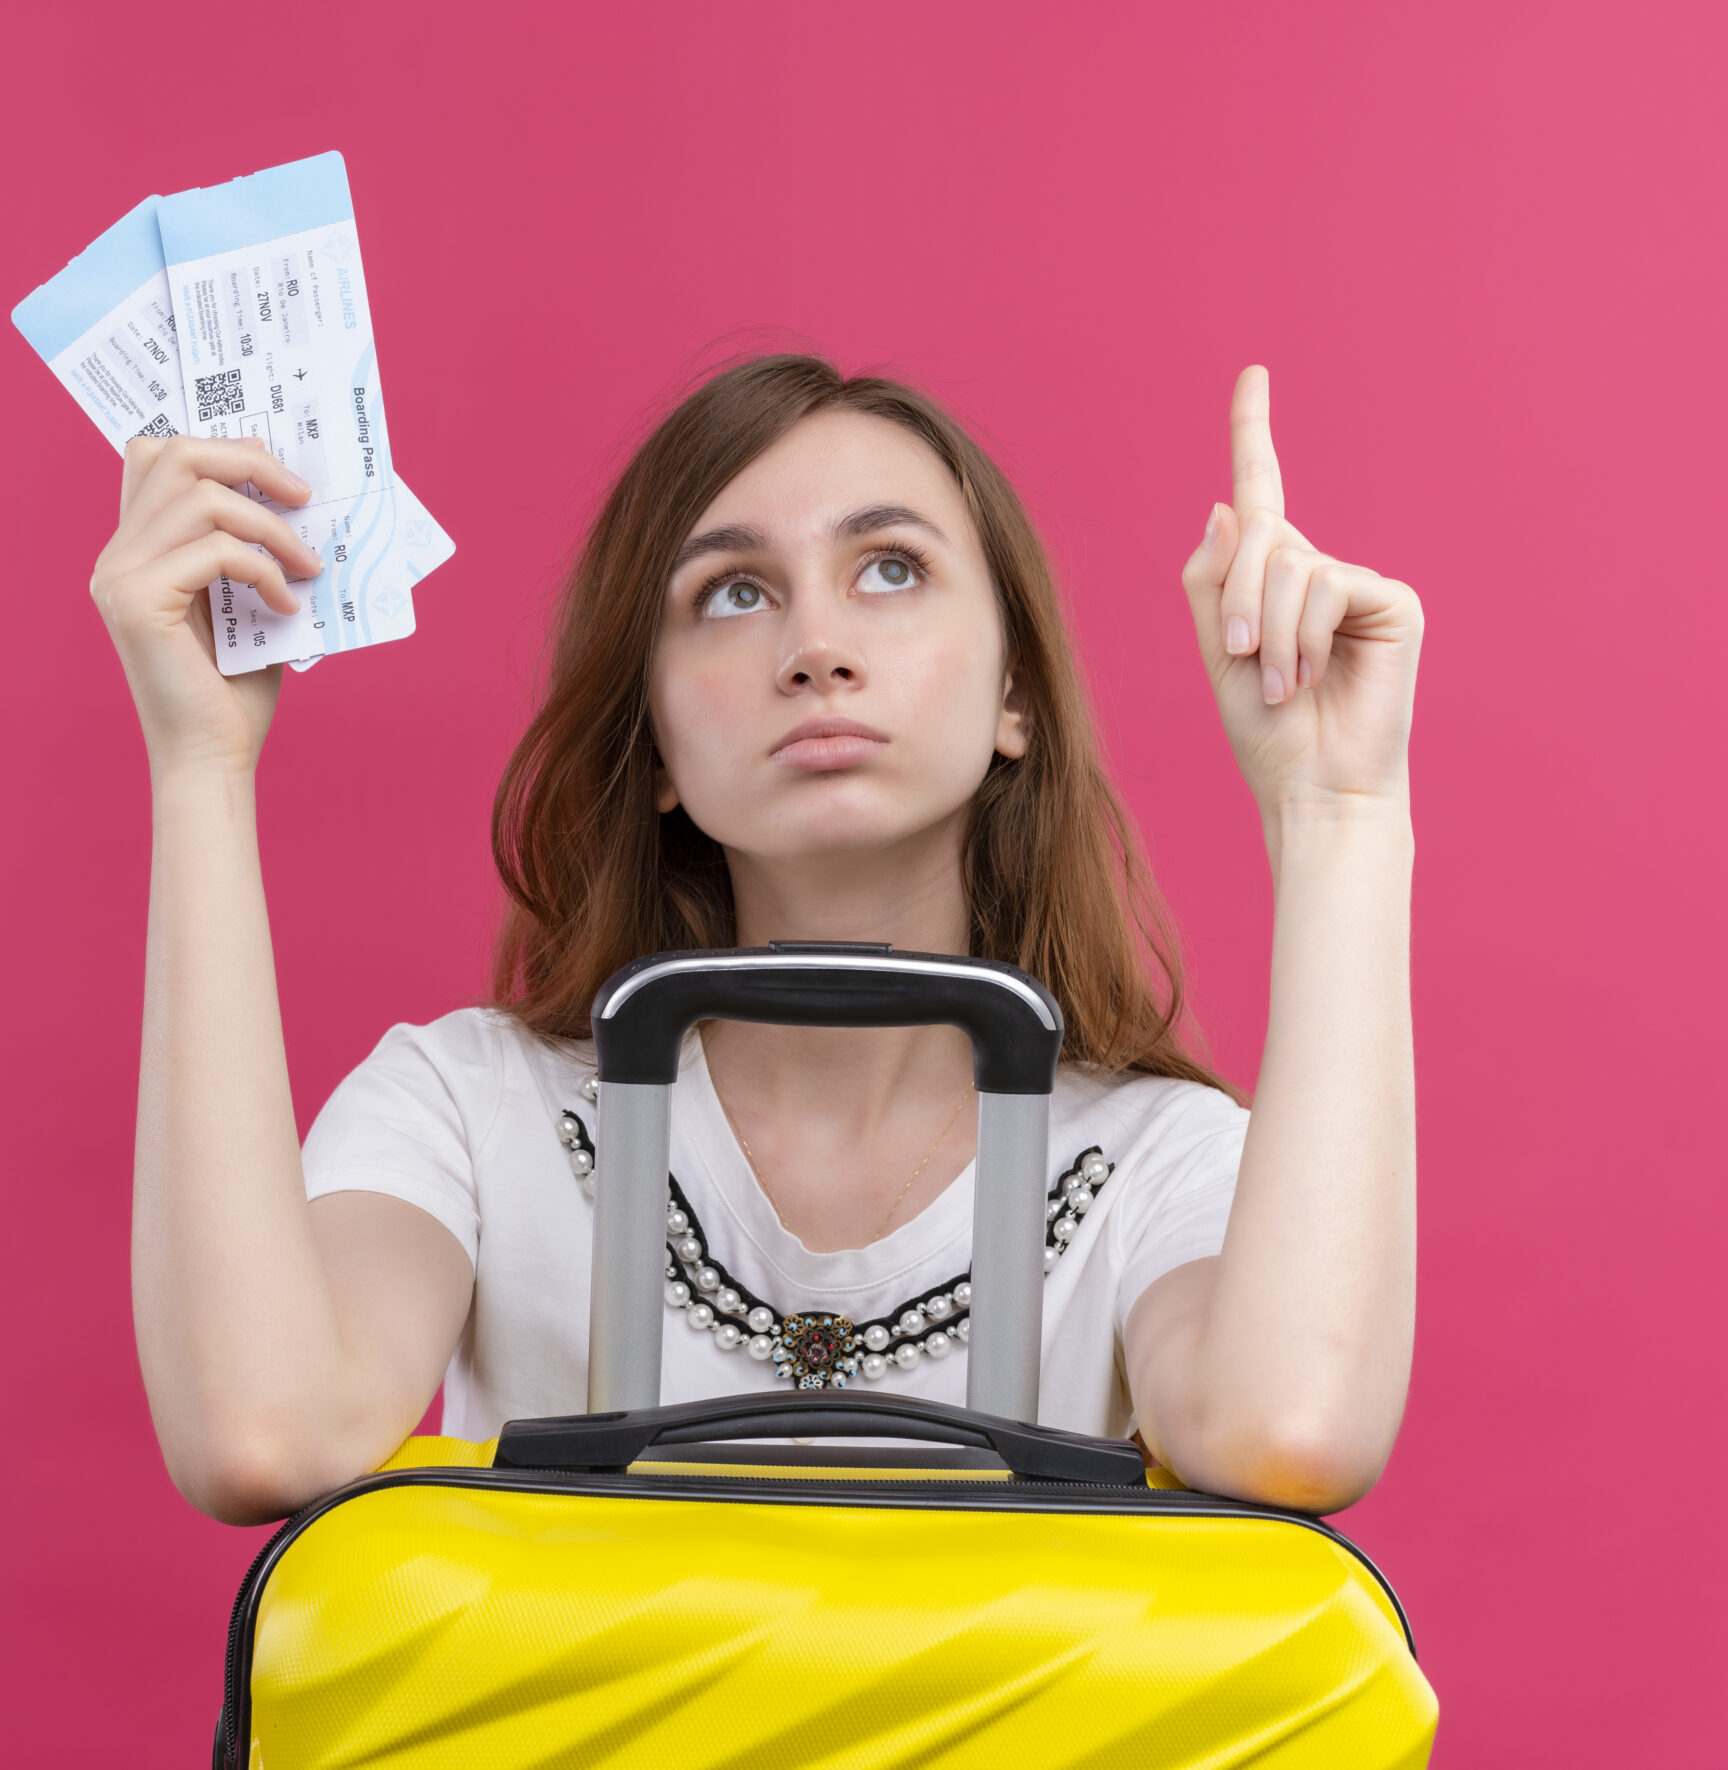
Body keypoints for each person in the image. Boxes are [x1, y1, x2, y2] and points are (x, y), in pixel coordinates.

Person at [91, 356, 1421, 1526]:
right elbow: (262, 1429)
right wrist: (198, 766)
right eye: (733, 593)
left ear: (1015, 690)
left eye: (890, 569)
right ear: (658, 740)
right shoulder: (467, 1108)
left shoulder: (1155, 1162)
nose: (817, 645)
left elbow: (1287, 1425)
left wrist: (1338, 813)